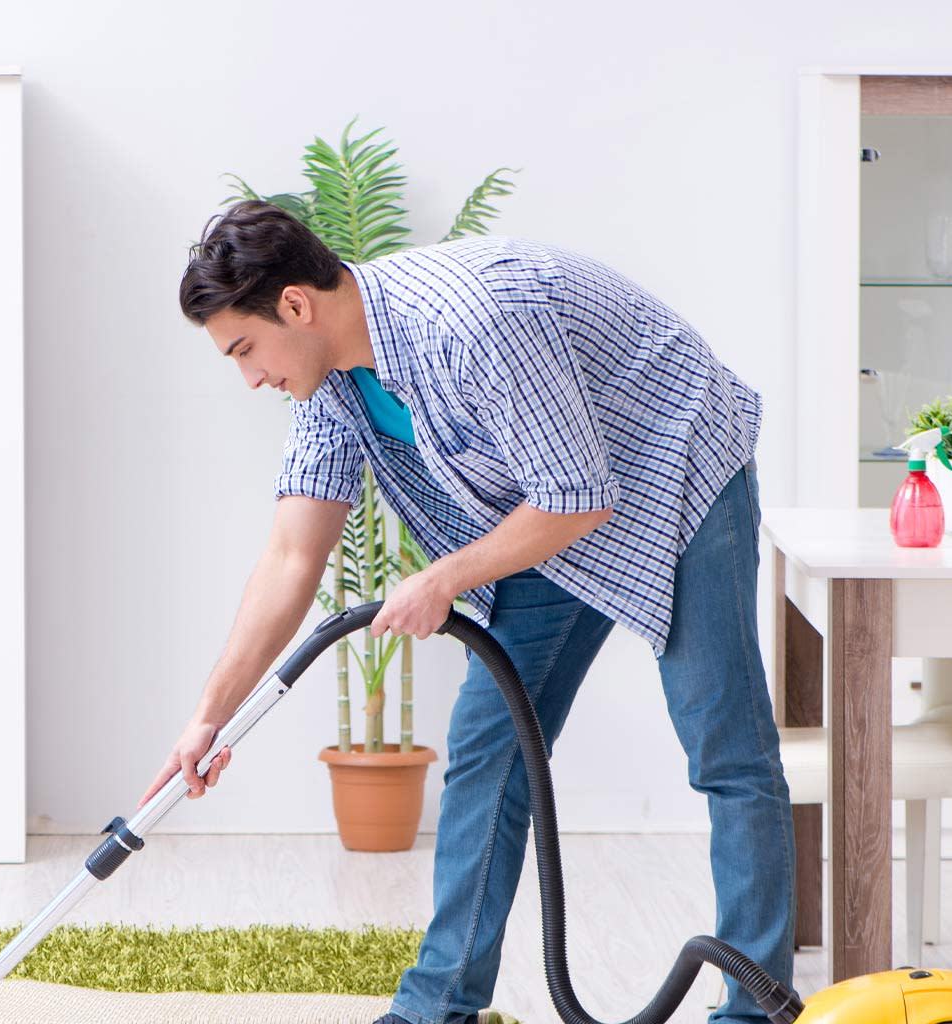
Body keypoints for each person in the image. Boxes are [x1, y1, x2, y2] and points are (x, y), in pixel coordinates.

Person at [145, 201, 794, 1024]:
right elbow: (291, 558)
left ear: (296, 307)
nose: (249, 377)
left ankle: (755, 1007)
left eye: (244, 349)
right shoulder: (331, 389)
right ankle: (437, 1008)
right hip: (548, 504)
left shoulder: (470, 322)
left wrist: (443, 578)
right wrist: (209, 717)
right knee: (490, 750)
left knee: (723, 744)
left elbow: (580, 495)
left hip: (672, 464)